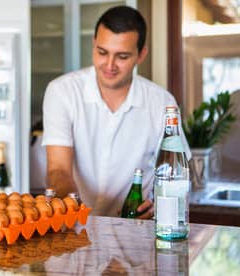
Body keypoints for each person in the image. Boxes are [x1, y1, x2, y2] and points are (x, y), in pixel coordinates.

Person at [41, 6, 190, 218]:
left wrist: (159, 205)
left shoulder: (162, 103)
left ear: (141, 55)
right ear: (93, 44)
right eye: (102, 52)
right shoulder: (62, 91)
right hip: (76, 225)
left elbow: (176, 175)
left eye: (122, 56)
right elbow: (58, 169)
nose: (109, 65)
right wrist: (73, 209)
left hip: (137, 230)